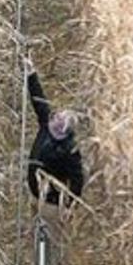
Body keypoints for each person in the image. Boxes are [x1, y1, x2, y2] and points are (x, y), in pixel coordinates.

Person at [24, 58, 84, 207]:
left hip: (50, 203)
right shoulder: (47, 124)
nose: (56, 120)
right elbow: (39, 100)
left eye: (61, 120)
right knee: (35, 222)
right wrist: (31, 73)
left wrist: (65, 204)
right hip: (34, 192)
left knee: (44, 226)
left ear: (66, 129)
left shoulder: (69, 150)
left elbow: (77, 181)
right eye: (58, 116)